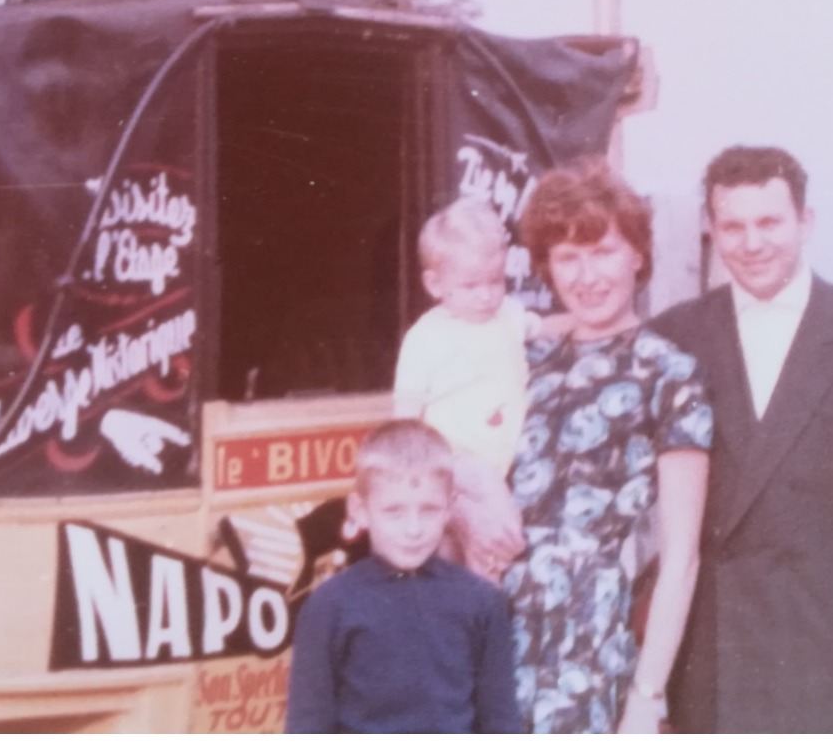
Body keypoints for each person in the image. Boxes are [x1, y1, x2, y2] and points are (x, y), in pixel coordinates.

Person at [651, 146, 833, 734]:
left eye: (769, 222)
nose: (751, 243)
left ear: (805, 222)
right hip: (714, 661)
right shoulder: (672, 338)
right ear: (711, 230)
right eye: (733, 226)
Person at [505, 159, 713, 734]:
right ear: (546, 266)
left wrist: (647, 699)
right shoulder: (524, 360)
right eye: (568, 257)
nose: (587, 275)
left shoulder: (668, 375)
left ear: (638, 256)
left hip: (585, 639)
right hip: (488, 625)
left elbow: (681, 557)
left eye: (603, 252)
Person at [284, 419, 522, 734]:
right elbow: (307, 724)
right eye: (394, 511)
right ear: (360, 510)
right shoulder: (328, 606)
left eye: (429, 510)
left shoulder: (483, 601)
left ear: (450, 508)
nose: (413, 529)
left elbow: (500, 720)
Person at [392, 197, 565, 580]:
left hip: (505, 459)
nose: (486, 295)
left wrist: (585, 322)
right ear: (435, 284)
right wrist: (416, 477)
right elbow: (405, 418)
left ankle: (474, 607)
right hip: (457, 459)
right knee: (499, 529)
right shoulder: (427, 337)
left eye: (495, 281)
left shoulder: (510, 315)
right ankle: (486, 602)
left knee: (463, 550)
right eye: (470, 285)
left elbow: (545, 327)